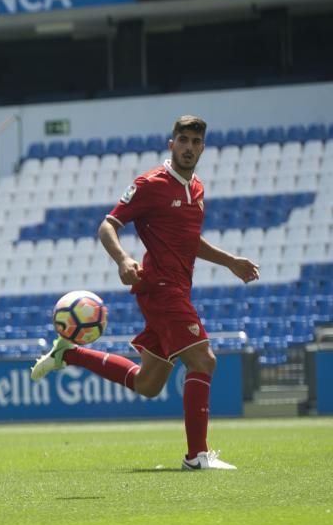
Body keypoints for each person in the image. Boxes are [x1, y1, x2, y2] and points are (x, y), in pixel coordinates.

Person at [31, 115, 260, 470]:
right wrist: (123, 260)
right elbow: (108, 224)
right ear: (172, 144)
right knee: (204, 361)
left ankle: (69, 354)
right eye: (182, 140)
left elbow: (188, 240)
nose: (188, 147)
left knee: (148, 383)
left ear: (203, 147)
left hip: (177, 289)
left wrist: (228, 260)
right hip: (160, 289)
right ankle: (196, 457)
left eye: (195, 142)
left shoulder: (196, 189)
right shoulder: (151, 184)